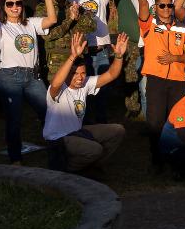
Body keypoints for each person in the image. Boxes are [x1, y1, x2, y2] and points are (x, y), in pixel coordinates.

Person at [0, 0, 58, 164]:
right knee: (14, 120)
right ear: (5, 8)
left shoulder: (31, 23)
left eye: (18, 3)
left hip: (33, 76)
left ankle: (57, 154)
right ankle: (15, 159)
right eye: (10, 4)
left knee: (48, 114)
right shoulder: (2, 27)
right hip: (9, 77)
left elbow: (52, 20)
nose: (15, 7)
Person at [42, 32, 128, 173]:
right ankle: (66, 172)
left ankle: (93, 167)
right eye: (75, 74)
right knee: (95, 149)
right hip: (59, 138)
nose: (80, 78)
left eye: (82, 73)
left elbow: (111, 74)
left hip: (78, 132)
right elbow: (56, 83)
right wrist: (73, 56)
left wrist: (118, 56)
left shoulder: (85, 84)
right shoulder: (58, 90)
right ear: (68, 74)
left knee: (118, 130)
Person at [139, 0, 185, 167]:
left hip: (179, 81)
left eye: (169, 5)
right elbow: (142, 2)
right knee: (155, 122)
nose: (166, 8)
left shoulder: (183, 29)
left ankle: (175, 157)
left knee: (177, 120)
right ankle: (157, 159)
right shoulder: (149, 24)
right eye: (161, 5)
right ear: (156, 7)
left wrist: (175, 58)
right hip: (156, 79)